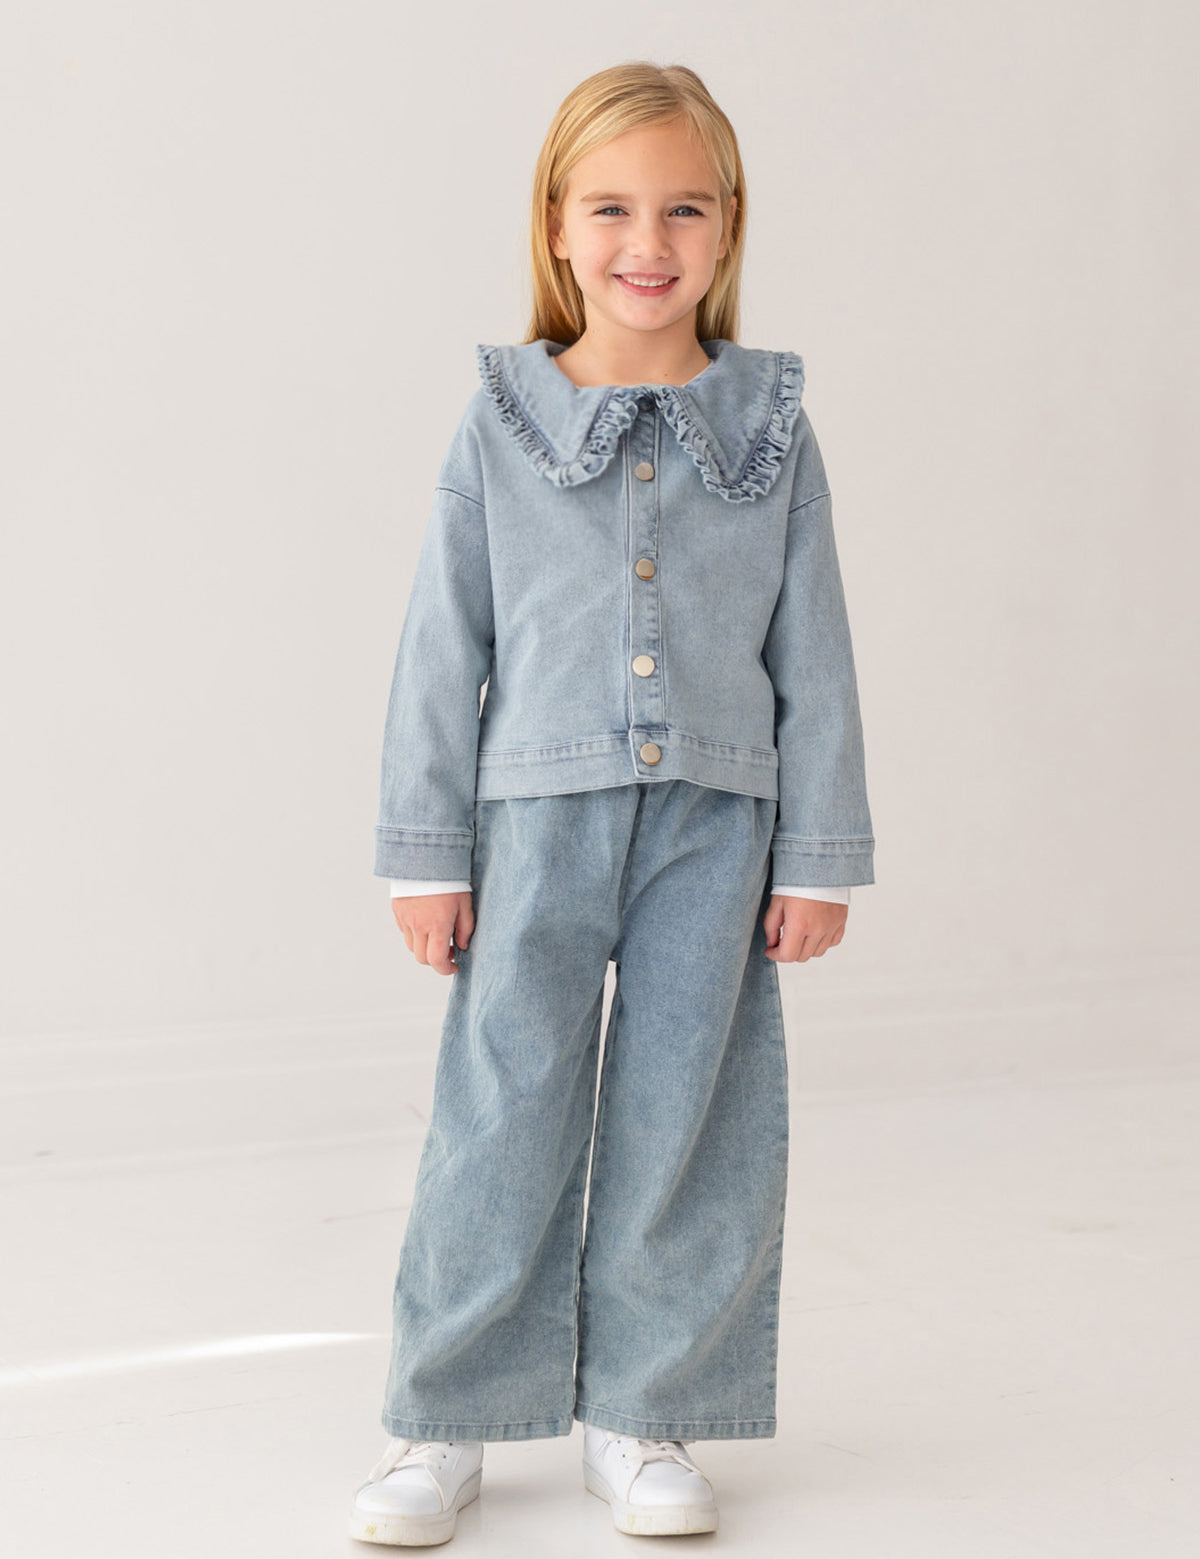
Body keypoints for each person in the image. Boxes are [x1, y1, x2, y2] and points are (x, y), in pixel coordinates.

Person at [349, 60, 875, 1548]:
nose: (651, 239)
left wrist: (820, 853)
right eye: (614, 208)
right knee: (501, 1110)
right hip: (531, 825)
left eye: (684, 209)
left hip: (722, 823)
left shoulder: (770, 425)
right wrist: (423, 855)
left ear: (727, 228)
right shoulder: (500, 424)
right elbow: (442, 645)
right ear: (560, 229)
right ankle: (445, 1414)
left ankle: (643, 1405)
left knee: (688, 1116)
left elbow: (814, 648)